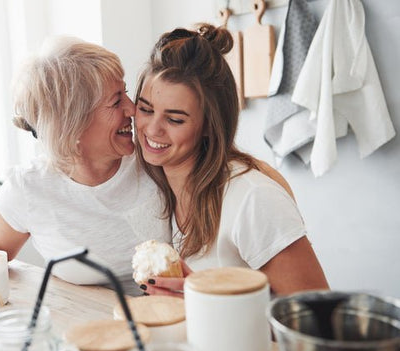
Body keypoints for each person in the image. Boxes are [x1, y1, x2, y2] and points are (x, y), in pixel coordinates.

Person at [0, 36, 171, 303]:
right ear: (72, 125)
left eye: (125, 92)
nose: (132, 109)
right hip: (83, 330)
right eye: (115, 101)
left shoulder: (157, 162)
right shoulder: (29, 188)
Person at [134, 24, 329, 297]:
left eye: (175, 119)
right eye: (145, 109)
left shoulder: (254, 199)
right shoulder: (156, 187)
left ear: (208, 125)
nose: (152, 129)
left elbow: (314, 321)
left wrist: (205, 300)